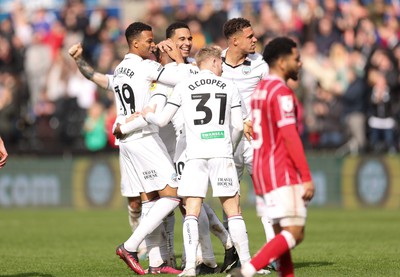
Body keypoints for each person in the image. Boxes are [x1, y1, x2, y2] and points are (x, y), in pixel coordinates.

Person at [142, 45, 251, 277]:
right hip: (221, 152)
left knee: (191, 211)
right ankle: (248, 265)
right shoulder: (229, 85)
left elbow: (161, 120)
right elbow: (239, 126)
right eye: (220, 62)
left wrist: (145, 114)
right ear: (211, 62)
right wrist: (229, 147)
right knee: (234, 211)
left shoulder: (183, 86)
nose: (222, 66)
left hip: (195, 155)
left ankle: (190, 266)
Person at [228, 36, 315, 277]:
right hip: (281, 170)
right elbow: (289, 136)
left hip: (262, 171)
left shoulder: (260, 91)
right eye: (296, 59)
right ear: (281, 61)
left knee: (280, 236)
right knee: (295, 233)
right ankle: (248, 269)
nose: (300, 64)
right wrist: (305, 176)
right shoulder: (281, 92)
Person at [110, 21, 189, 275]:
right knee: (174, 194)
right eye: (149, 41)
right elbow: (181, 77)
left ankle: (156, 263)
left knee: (150, 198)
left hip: (128, 139)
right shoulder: (145, 66)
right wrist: (176, 57)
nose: (153, 44)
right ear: (135, 43)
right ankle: (131, 246)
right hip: (143, 137)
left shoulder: (120, 68)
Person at [220, 17, 273, 273]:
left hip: (254, 139)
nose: (255, 40)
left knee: (265, 195)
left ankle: (271, 254)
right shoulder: (213, 63)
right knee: (229, 197)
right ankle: (234, 254)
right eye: (250, 36)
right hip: (225, 141)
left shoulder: (260, 64)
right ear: (235, 40)